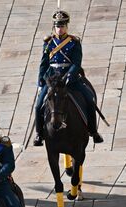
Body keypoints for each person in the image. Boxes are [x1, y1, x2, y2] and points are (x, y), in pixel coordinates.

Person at [33, 9, 103, 146]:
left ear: (67, 26)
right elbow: (44, 63)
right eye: (58, 26)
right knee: (38, 105)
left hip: (70, 78)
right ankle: (39, 134)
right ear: (54, 27)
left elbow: (77, 63)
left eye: (62, 26)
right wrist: (41, 81)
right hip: (53, 79)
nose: (60, 29)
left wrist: (69, 76)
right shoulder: (48, 43)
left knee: (89, 99)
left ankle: (93, 131)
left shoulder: (74, 42)